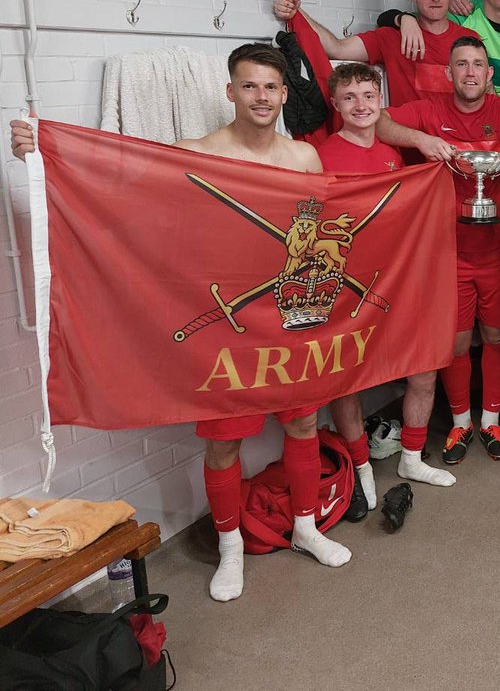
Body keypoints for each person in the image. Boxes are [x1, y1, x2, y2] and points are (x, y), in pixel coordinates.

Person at [13, 44, 352, 602]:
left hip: (289, 312)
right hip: (231, 320)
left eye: (271, 87)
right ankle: (230, 547)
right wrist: (43, 154)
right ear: (230, 92)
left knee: (302, 425)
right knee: (224, 445)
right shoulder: (195, 153)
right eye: (249, 86)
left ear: (285, 93)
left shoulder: (304, 160)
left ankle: (306, 526)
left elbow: (318, 226)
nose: (261, 97)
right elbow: (118, 184)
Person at [387, 36, 500, 466]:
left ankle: (491, 418)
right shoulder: (429, 107)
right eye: (462, 64)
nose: (471, 72)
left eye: (478, 64)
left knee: (496, 335)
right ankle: (461, 421)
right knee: (455, 342)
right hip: (446, 254)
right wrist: (419, 138)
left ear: (490, 75)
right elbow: (380, 123)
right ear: (449, 72)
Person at [316, 62, 455, 498]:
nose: (361, 105)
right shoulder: (318, 155)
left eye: (368, 96)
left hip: (399, 279)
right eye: (350, 98)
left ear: (380, 102)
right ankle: (361, 466)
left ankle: (412, 458)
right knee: (347, 379)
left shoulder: (395, 154)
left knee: (423, 368)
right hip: (346, 285)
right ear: (336, 104)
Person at [273, 0, 479, 107]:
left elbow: (484, 92)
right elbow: (336, 48)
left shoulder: (469, 39)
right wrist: (297, 12)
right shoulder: (389, 37)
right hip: (410, 149)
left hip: (457, 143)